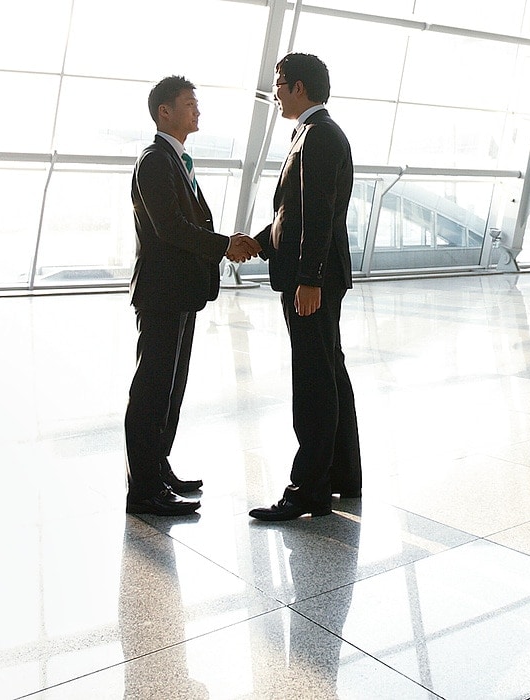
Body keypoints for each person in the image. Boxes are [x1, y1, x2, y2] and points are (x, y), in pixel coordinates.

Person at [125, 75, 260, 517]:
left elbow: (191, 227)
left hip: (180, 292)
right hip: (161, 292)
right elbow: (171, 229)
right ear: (165, 111)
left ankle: (158, 467)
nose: (197, 111)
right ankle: (142, 489)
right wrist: (225, 245)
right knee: (152, 388)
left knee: (171, 387)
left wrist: (222, 244)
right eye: (189, 104)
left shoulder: (179, 160)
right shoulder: (154, 161)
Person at [248, 53, 362, 521]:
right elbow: (292, 216)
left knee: (313, 382)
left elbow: (318, 214)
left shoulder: (318, 137)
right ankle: (343, 476)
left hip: (312, 281)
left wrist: (310, 279)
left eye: (279, 84)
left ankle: (308, 489)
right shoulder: (314, 135)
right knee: (329, 372)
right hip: (312, 275)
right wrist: (257, 243)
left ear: (298, 87)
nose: (274, 92)